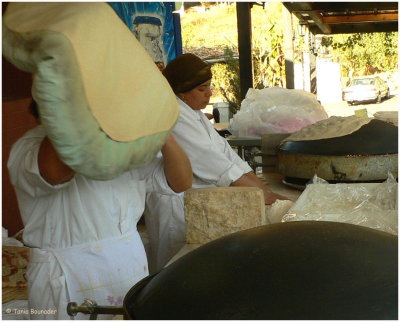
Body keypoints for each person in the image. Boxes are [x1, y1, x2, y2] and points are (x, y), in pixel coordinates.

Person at [8, 100, 193, 319]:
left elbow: (181, 181)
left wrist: (163, 133)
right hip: (70, 278)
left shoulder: (122, 143)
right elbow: (54, 172)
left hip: (128, 266)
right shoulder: (31, 147)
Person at [145, 53, 288, 272]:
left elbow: (226, 155)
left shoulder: (194, 113)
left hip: (193, 201)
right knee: (174, 269)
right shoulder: (176, 115)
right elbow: (214, 164)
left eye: (209, 87)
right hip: (175, 205)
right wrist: (263, 197)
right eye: (202, 89)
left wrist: (265, 191)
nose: (209, 94)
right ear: (181, 92)